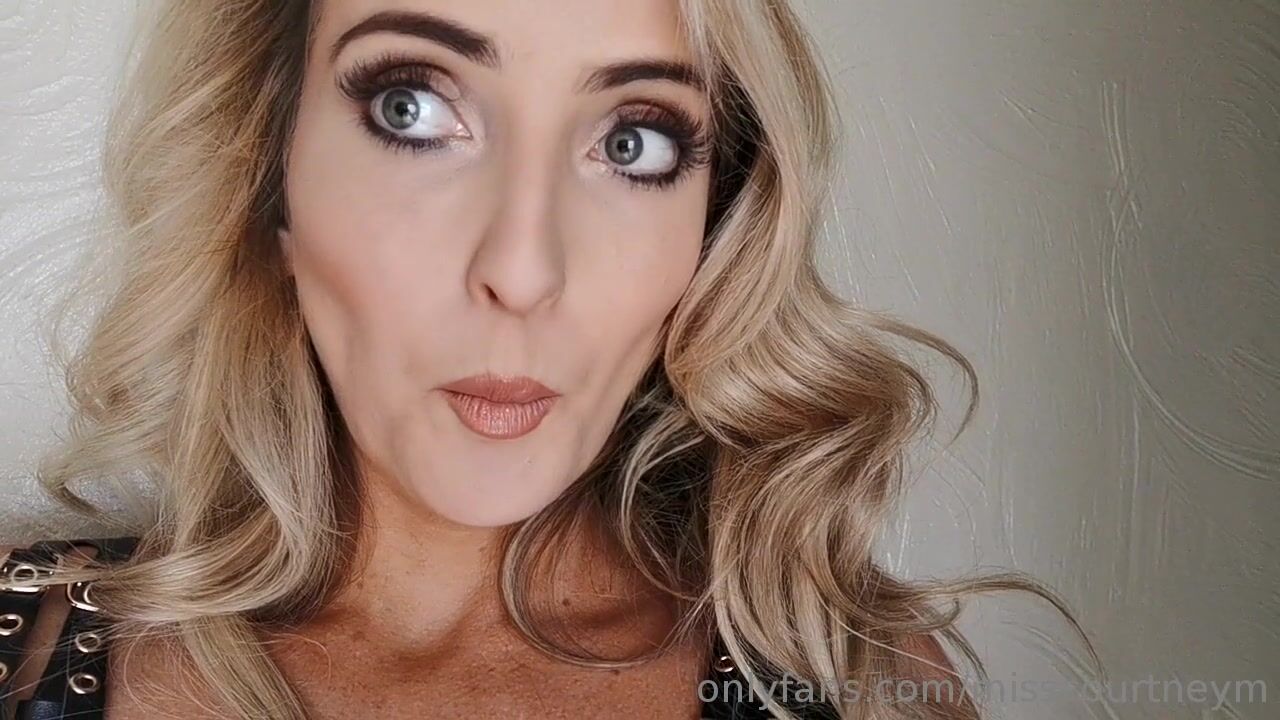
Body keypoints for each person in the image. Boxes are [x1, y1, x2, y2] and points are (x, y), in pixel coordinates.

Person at [0, 0, 1091, 718]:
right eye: (412, 109)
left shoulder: (853, 687)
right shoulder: (25, 653)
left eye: (632, 142)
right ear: (268, 172)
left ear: (714, 220)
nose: (522, 270)